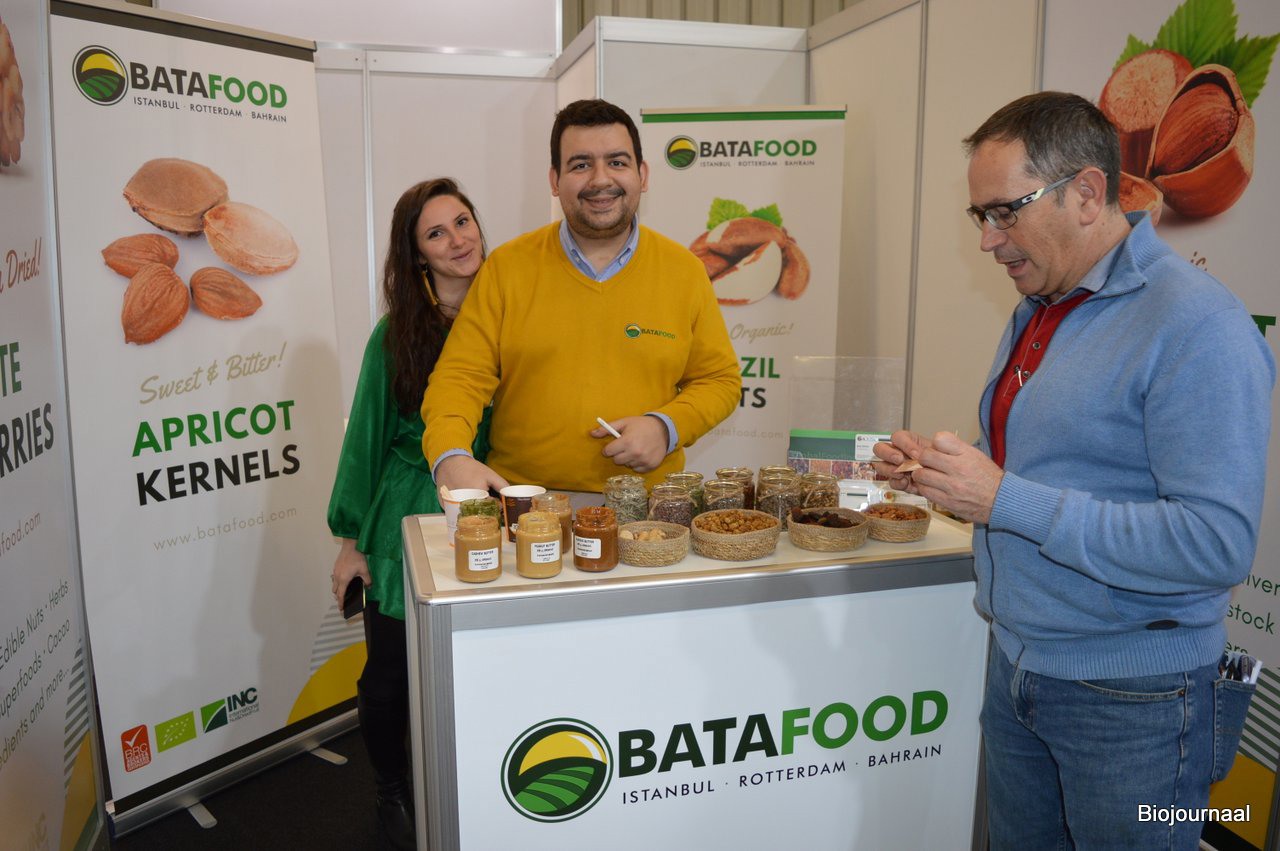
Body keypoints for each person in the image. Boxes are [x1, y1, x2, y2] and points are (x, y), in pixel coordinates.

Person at [872, 92, 1273, 849]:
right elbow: (1050, 472)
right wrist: (943, 475)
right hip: (1021, 668)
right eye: (979, 215)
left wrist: (1003, 497)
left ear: (1088, 193)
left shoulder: (1198, 325)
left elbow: (1214, 544)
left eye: (1005, 211)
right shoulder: (1044, 304)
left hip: (1135, 700)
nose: (988, 240)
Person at [422, 98, 741, 496]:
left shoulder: (684, 271)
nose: (600, 179)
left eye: (617, 162)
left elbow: (719, 381)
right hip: (524, 505)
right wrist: (451, 456)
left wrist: (666, 426)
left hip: (649, 509)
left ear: (642, 175)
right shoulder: (507, 268)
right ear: (555, 180)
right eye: (580, 164)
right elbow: (459, 378)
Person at [327, 178, 490, 850]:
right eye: (436, 233)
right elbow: (364, 439)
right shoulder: (395, 336)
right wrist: (349, 541)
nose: (458, 240)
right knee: (390, 677)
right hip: (408, 520)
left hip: (491, 519)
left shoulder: (508, 316)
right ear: (417, 253)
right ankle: (392, 789)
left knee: (474, 672)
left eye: (463, 221)